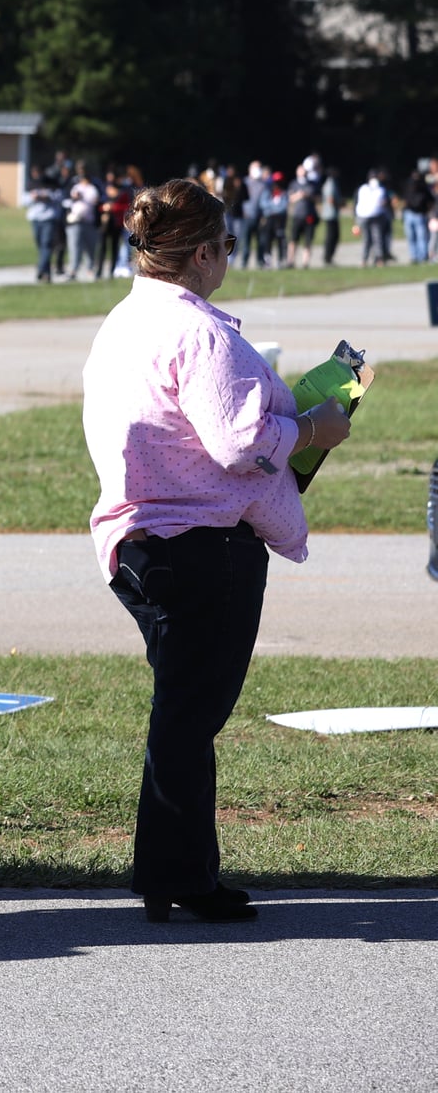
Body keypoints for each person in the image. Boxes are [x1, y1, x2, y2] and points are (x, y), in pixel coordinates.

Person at [82, 178, 349, 924]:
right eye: (226, 246)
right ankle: (177, 877)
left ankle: (178, 872)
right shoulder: (198, 330)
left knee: (185, 710)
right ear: (201, 253)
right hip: (201, 545)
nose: (227, 258)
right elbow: (237, 442)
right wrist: (313, 431)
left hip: (142, 540)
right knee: (189, 715)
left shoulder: (126, 320)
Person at [20, 170, 64, 284]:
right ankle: (47, 273)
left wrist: (47, 196)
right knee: (41, 246)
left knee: (46, 244)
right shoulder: (31, 186)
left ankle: (40, 269)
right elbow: (23, 201)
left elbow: (60, 197)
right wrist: (33, 198)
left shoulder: (52, 185)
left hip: (49, 218)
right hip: (35, 219)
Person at [64, 168, 102, 281]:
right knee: (74, 246)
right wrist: (74, 197)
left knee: (90, 247)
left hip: (88, 221)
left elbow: (94, 200)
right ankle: (73, 270)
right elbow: (69, 199)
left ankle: (90, 269)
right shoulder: (75, 188)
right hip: (75, 221)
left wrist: (82, 197)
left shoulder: (92, 189)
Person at [355, 168, 393, 265]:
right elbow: (385, 203)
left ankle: (366, 259)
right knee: (377, 238)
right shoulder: (380, 189)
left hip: (364, 216)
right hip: (375, 216)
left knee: (368, 239)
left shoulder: (362, 188)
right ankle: (378, 259)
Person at [403, 162, 434, 265]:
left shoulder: (423, 186)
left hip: (420, 214)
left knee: (421, 237)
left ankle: (423, 256)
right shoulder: (409, 184)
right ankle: (414, 257)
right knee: (411, 237)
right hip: (409, 214)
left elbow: (431, 199)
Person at [319, 167, 343, 266]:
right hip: (331, 214)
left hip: (331, 214)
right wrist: (339, 204)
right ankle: (327, 257)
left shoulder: (330, 183)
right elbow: (330, 199)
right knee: (332, 236)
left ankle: (328, 256)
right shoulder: (331, 184)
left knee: (333, 235)